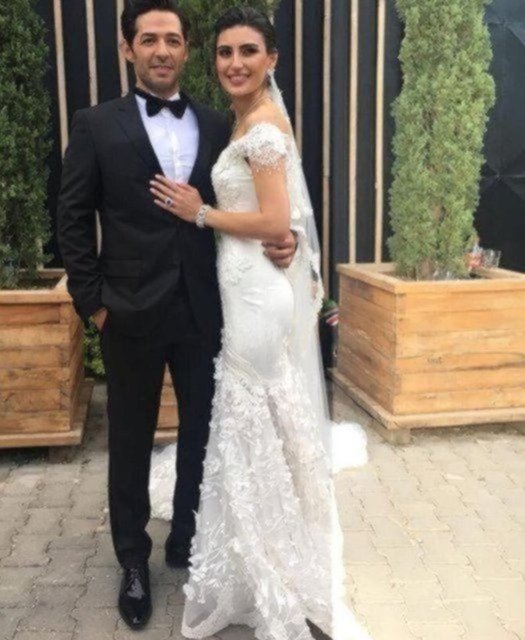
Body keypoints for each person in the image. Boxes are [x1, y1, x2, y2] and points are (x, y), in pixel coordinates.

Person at [57, 0, 297, 631]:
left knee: (202, 434)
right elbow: (72, 220)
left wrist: (288, 239)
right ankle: (133, 560)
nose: (161, 50)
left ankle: (187, 537)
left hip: (205, 309)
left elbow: (258, 203)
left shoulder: (222, 125)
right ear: (128, 49)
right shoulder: (95, 125)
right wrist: (94, 306)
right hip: (127, 313)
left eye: (172, 39)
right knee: (130, 440)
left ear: (187, 50)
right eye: (148, 39)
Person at [150, 7, 371, 640]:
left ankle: (274, 569)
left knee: (250, 422)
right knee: (260, 423)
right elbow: (286, 219)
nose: (235, 63)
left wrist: (201, 213)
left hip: (256, 300)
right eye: (225, 52)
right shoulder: (248, 120)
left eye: (248, 51)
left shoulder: (265, 124)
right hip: (246, 289)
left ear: (271, 59)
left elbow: (275, 220)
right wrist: (286, 237)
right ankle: (266, 550)